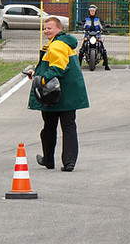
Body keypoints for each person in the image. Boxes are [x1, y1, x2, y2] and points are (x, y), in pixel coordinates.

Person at [26, 17, 89, 172]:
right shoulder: (63, 43)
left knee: (49, 127)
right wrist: (36, 71)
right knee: (69, 127)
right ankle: (69, 162)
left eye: (50, 28)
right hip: (69, 94)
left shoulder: (57, 45)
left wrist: (40, 81)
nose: (46, 31)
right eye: (45, 28)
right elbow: (50, 63)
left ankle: (48, 159)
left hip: (54, 94)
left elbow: (57, 68)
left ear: (59, 29)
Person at [79, 4, 111, 71]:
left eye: (93, 11)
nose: (92, 12)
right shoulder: (86, 19)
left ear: (95, 11)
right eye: (91, 11)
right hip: (88, 35)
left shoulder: (98, 20)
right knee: (82, 49)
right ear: (89, 12)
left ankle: (106, 65)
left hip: (97, 35)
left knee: (103, 49)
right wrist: (80, 26)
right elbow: (81, 24)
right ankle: (78, 65)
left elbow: (103, 25)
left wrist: (105, 28)